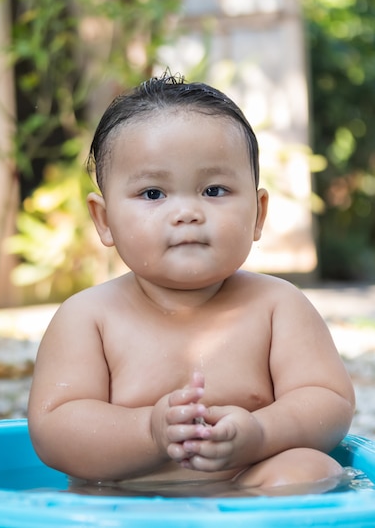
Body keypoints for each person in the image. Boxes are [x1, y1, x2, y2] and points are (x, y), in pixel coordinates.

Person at [28, 73, 355, 496]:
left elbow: (329, 401)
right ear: (104, 221)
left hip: (243, 485)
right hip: (123, 498)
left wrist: (260, 432)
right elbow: (54, 427)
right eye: (152, 194)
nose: (186, 212)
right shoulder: (88, 319)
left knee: (310, 469)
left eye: (214, 190)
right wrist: (149, 432)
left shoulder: (279, 307)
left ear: (258, 214)